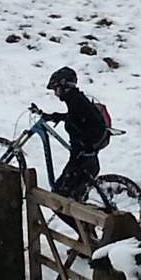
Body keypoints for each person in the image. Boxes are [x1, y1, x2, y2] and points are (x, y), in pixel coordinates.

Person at [40, 66, 108, 202]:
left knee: (60, 195)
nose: (56, 94)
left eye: (56, 89)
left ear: (64, 86)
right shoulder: (75, 99)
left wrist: (83, 144)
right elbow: (75, 117)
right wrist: (55, 116)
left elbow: (80, 119)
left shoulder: (76, 101)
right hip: (84, 154)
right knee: (65, 195)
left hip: (83, 156)